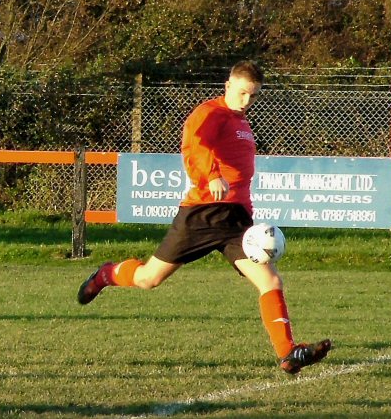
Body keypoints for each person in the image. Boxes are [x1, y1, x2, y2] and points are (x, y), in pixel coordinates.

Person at [77, 61, 331, 375]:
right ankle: (106, 274)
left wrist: (248, 216)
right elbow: (194, 144)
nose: (246, 101)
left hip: (236, 221)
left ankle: (288, 353)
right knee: (148, 279)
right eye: (242, 94)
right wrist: (210, 175)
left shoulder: (242, 123)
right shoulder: (210, 113)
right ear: (228, 85)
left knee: (270, 280)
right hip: (202, 214)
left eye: (253, 96)